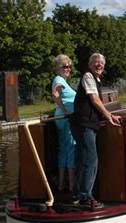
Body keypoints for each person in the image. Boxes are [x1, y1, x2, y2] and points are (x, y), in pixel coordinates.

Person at [70, 53, 121, 208]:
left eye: (101, 63)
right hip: (84, 124)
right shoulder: (88, 76)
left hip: (88, 124)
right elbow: (95, 99)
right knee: (90, 160)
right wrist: (109, 115)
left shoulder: (96, 79)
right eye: (96, 62)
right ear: (90, 64)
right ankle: (86, 197)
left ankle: (77, 193)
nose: (99, 65)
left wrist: (107, 115)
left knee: (83, 159)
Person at [51, 54, 76, 193]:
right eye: (65, 66)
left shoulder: (63, 80)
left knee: (64, 151)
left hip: (63, 119)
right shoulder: (59, 79)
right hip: (66, 119)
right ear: (58, 68)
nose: (68, 69)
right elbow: (55, 93)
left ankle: (61, 184)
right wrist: (65, 110)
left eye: (69, 66)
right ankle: (72, 185)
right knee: (71, 148)